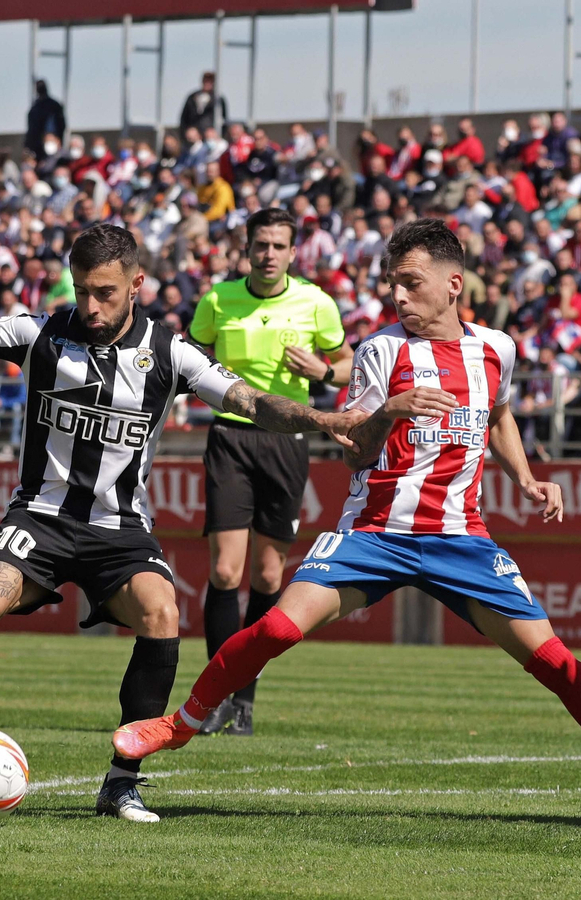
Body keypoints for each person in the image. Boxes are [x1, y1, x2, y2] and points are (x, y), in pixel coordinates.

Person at [111, 219, 581, 827]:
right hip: (374, 532)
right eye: (390, 285)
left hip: (460, 537)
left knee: (558, 664)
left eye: (410, 283)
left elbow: (499, 415)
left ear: (453, 284)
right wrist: (390, 411)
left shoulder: (496, 348)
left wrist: (527, 478)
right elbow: (354, 450)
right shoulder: (381, 351)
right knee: (275, 631)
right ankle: (181, 724)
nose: (397, 297)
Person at [0, 225, 360, 824]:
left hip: (121, 528)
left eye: (104, 293)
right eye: (82, 290)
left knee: (162, 613)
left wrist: (323, 419)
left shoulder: (168, 352)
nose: (89, 306)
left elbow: (248, 400)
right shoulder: (40, 332)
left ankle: (121, 782)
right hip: (41, 516)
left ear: (136, 285)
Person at [186, 207, 354, 735]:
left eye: (279, 246)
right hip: (230, 436)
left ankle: (245, 700)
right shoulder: (217, 299)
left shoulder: (315, 302)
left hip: (287, 439)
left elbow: (347, 359)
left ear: (292, 251)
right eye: (261, 245)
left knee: (267, 576)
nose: (268, 254)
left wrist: (325, 372)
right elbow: (194, 354)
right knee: (226, 572)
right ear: (248, 247)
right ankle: (212, 697)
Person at [25, 80, 67, 159]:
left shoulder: (39, 107)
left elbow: (61, 124)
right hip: (40, 143)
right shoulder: (38, 107)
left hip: (49, 141)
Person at [180, 71, 228, 139]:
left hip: (212, 138)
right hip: (194, 137)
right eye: (206, 80)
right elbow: (184, 117)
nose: (207, 83)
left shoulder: (218, 99)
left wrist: (217, 134)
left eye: (210, 81)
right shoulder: (192, 97)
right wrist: (187, 131)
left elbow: (224, 119)